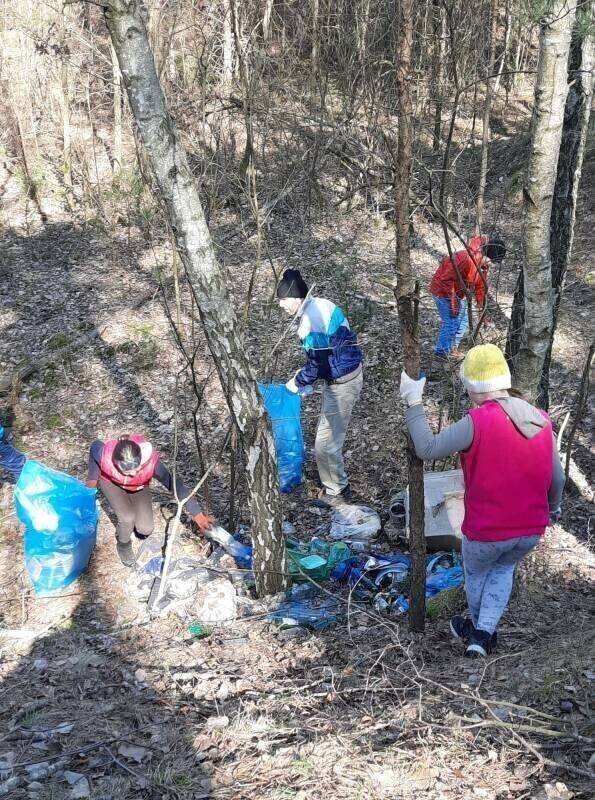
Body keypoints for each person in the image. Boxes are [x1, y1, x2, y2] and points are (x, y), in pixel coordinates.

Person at [399, 344, 564, 657]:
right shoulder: (541, 420)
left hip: (486, 530)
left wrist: (413, 401)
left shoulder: (478, 421)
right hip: (531, 529)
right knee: (503, 571)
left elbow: (427, 447)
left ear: (472, 387)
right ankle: (483, 634)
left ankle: (478, 633)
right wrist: (552, 510)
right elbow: (557, 479)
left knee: (477, 574)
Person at [276, 269, 363, 506]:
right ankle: (337, 486)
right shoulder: (322, 304)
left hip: (342, 384)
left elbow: (318, 365)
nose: (281, 306)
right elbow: (325, 357)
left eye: (283, 300)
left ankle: (337, 492)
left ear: (296, 298)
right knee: (327, 438)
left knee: (325, 444)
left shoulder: (310, 322)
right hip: (348, 373)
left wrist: (297, 383)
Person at [87, 434, 214, 566]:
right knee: (127, 518)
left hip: (138, 485)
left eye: (136, 467)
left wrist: (198, 515)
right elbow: (94, 445)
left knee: (145, 529)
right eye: (127, 470)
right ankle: (123, 544)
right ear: (116, 463)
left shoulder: (151, 464)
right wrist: (92, 478)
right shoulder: (105, 455)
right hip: (111, 483)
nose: (132, 473)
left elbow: (175, 485)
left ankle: (133, 515)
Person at [430, 235, 506, 361]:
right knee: (451, 321)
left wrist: (482, 312)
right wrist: (453, 302)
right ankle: (441, 353)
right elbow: (445, 279)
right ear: (486, 254)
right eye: (490, 261)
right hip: (442, 291)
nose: (490, 265)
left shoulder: (483, 266)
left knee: (463, 319)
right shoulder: (465, 258)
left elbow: (480, 289)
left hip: (456, 295)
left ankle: (452, 348)